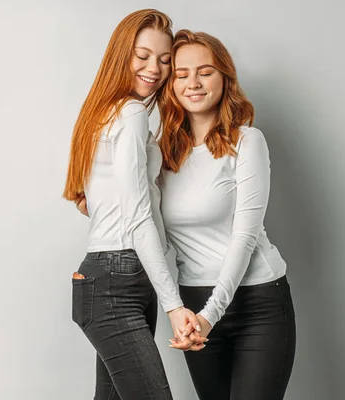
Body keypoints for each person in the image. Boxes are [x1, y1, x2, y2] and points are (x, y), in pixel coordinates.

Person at [62, 11, 206, 400]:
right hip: (117, 280)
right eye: (142, 56)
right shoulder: (129, 113)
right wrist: (176, 306)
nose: (154, 70)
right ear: (121, 54)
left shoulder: (104, 112)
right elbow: (138, 215)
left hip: (116, 278)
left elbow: (101, 202)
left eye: (164, 61)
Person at [158, 30, 296, 400]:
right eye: (181, 74)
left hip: (257, 302)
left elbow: (244, 236)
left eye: (205, 71)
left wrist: (209, 316)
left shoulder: (247, 141)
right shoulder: (161, 154)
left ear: (224, 78)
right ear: (170, 85)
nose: (193, 83)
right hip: (194, 302)